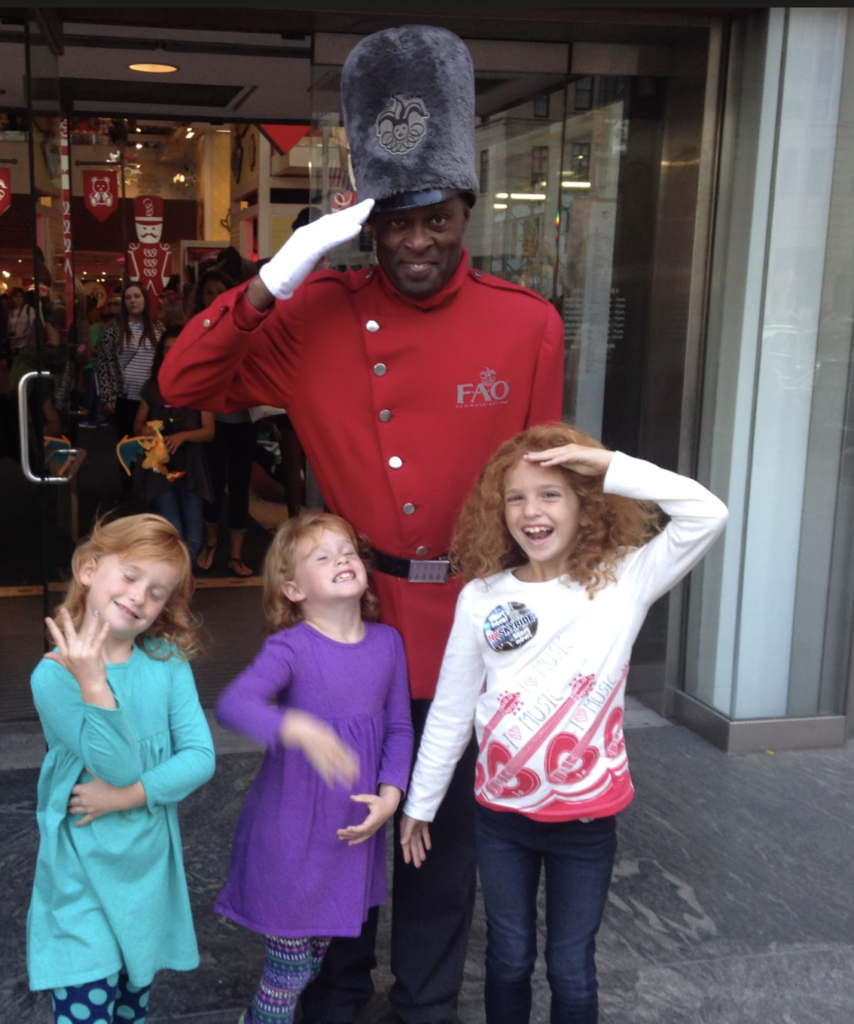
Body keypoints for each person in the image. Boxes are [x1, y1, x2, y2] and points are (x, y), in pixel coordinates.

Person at [161, 25, 564, 1024]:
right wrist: (282, 268)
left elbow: (547, 492)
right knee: (335, 835)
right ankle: (335, 1002)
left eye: (434, 215)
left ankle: (422, 1006)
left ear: (465, 207)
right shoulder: (313, 315)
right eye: (393, 221)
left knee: (439, 843)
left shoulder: (527, 324)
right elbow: (184, 380)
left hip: (470, 627)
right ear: (365, 225)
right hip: (347, 630)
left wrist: (545, 637)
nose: (415, 240)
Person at [399, 423, 729, 1024]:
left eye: (551, 493)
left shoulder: (625, 581)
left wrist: (605, 463)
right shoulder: (482, 597)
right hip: (501, 820)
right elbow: (450, 709)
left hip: (585, 823)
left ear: (586, 505)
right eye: (516, 497)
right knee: (508, 958)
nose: (532, 510)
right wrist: (420, 803)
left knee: (572, 965)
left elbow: (707, 513)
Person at [214, 511, 414, 1024]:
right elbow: (236, 703)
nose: (341, 559)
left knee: (309, 964)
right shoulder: (292, 647)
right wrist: (297, 727)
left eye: (347, 550)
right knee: (287, 972)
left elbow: (398, 729)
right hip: (291, 833)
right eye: (321, 556)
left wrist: (391, 795)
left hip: (347, 836)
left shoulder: (388, 643)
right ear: (293, 590)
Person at [26, 513, 216, 1024]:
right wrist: (93, 683)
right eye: (130, 576)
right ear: (89, 568)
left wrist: (128, 796)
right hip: (81, 875)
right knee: (86, 1006)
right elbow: (118, 763)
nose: (139, 596)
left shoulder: (168, 659)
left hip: (144, 871)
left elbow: (200, 757)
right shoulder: (54, 677)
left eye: (157, 592)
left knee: (132, 1009)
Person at [189, 268, 259, 577]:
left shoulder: (247, 325)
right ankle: (211, 543)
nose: (214, 296)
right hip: (210, 420)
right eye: (208, 291)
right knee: (213, 483)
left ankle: (236, 554)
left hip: (245, 417)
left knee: (240, 484)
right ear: (200, 298)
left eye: (220, 290)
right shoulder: (196, 328)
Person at [132, 325, 215, 563]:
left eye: (177, 348)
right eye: (167, 349)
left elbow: (209, 431)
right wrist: (144, 428)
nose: (172, 354)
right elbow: (137, 423)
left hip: (192, 468)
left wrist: (183, 436)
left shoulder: (200, 385)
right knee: (172, 531)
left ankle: (181, 582)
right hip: (160, 470)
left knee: (195, 537)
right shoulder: (153, 386)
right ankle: (178, 585)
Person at [97, 282, 164, 501]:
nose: (132, 301)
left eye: (137, 296)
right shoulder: (114, 329)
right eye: (128, 298)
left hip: (150, 400)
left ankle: (150, 490)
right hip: (124, 397)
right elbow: (104, 363)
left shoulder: (157, 329)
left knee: (151, 446)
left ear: (145, 299)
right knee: (125, 446)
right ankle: (126, 490)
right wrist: (107, 395)